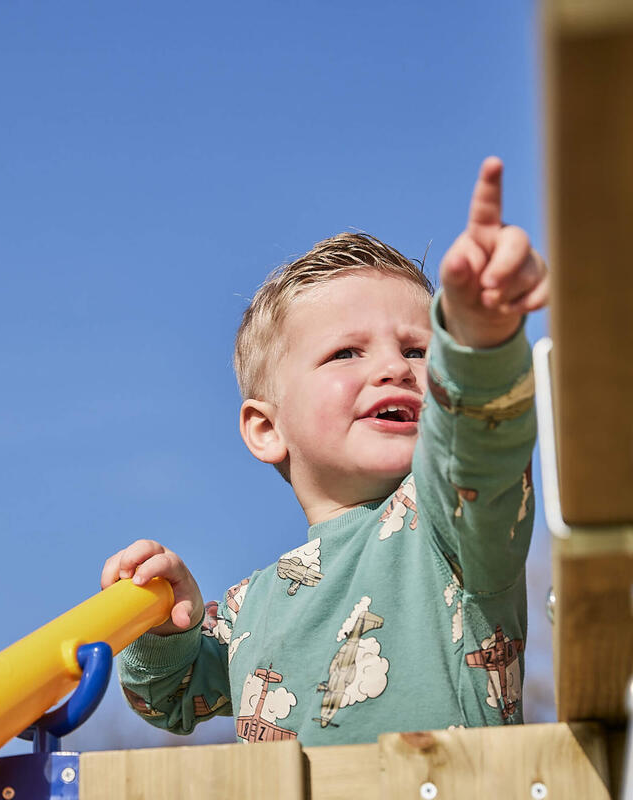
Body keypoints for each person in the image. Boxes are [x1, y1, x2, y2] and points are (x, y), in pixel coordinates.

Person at [101, 157, 548, 745]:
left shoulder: (446, 530)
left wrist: (481, 345)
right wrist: (165, 626)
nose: (395, 367)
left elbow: (479, 455)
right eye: (345, 353)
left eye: (419, 350)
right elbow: (171, 695)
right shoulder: (250, 607)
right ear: (266, 429)